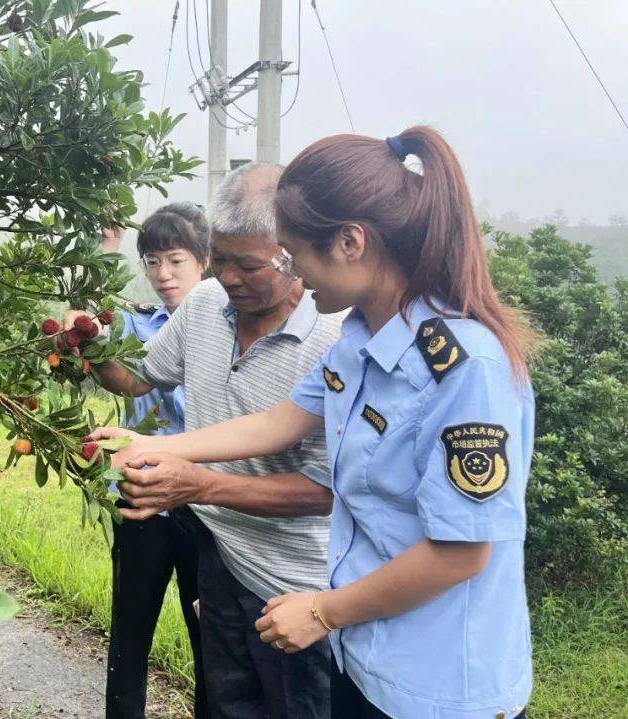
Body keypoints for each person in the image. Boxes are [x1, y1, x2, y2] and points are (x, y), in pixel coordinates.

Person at [91, 127, 534, 719]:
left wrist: (325, 611)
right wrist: (146, 443)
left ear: (351, 243)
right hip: (364, 655)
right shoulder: (360, 337)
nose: (294, 271)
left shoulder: (464, 368)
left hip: (439, 683)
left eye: (293, 253)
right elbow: (279, 422)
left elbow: (460, 554)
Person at [67, 163, 342, 719]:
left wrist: (194, 484)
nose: (229, 277)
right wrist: (93, 348)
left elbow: (326, 491)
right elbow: (140, 376)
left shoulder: (333, 339)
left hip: (294, 585)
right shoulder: (204, 306)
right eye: (220, 258)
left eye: (248, 264)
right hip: (221, 558)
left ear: (292, 254)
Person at [95, 203, 210, 719]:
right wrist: (107, 250)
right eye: (152, 262)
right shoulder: (136, 326)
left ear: (204, 262)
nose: (163, 275)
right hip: (142, 506)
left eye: (176, 260)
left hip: (207, 509)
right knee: (129, 636)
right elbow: (91, 333)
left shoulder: (226, 329)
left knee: (212, 643)